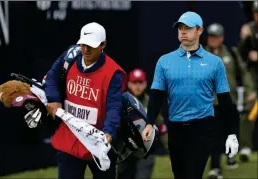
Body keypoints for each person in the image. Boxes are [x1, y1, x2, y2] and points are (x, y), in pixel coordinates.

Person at [141, 11, 240, 179]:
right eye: (180, 28)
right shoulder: (165, 61)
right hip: (176, 129)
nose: (183, 32)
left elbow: (225, 101)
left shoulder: (214, 62)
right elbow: (156, 96)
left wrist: (231, 133)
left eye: (188, 28)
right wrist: (149, 123)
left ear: (200, 30)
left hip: (203, 128)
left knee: (193, 174)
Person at [44, 22, 127, 179]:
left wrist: (109, 132)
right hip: (70, 138)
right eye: (83, 44)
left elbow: (114, 106)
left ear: (103, 45)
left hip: (99, 140)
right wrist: (53, 99)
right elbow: (52, 77)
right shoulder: (70, 56)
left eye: (92, 45)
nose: (86, 50)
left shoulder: (112, 73)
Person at [205, 23, 257, 179]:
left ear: (222, 37)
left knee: (231, 132)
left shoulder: (231, 53)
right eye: (211, 37)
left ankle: (230, 155)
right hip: (210, 103)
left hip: (229, 101)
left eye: (217, 36)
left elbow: (243, 72)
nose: (214, 40)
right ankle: (215, 168)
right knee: (213, 135)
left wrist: (250, 90)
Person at [117, 68, 168, 179]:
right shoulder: (121, 102)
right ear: (129, 84)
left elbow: (161, 127)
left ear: (145, 84)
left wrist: (169, 148)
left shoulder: (151, 103)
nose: (138, 86)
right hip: (125, 151)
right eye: (134, 82)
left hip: (146, 150)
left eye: (140, 82)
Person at [238, 0, 258, 160]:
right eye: (256, 13)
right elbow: (241, 55)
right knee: (250, 109)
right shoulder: (249, 29)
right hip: (253, 75)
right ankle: (245, 146)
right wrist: (244, 40)